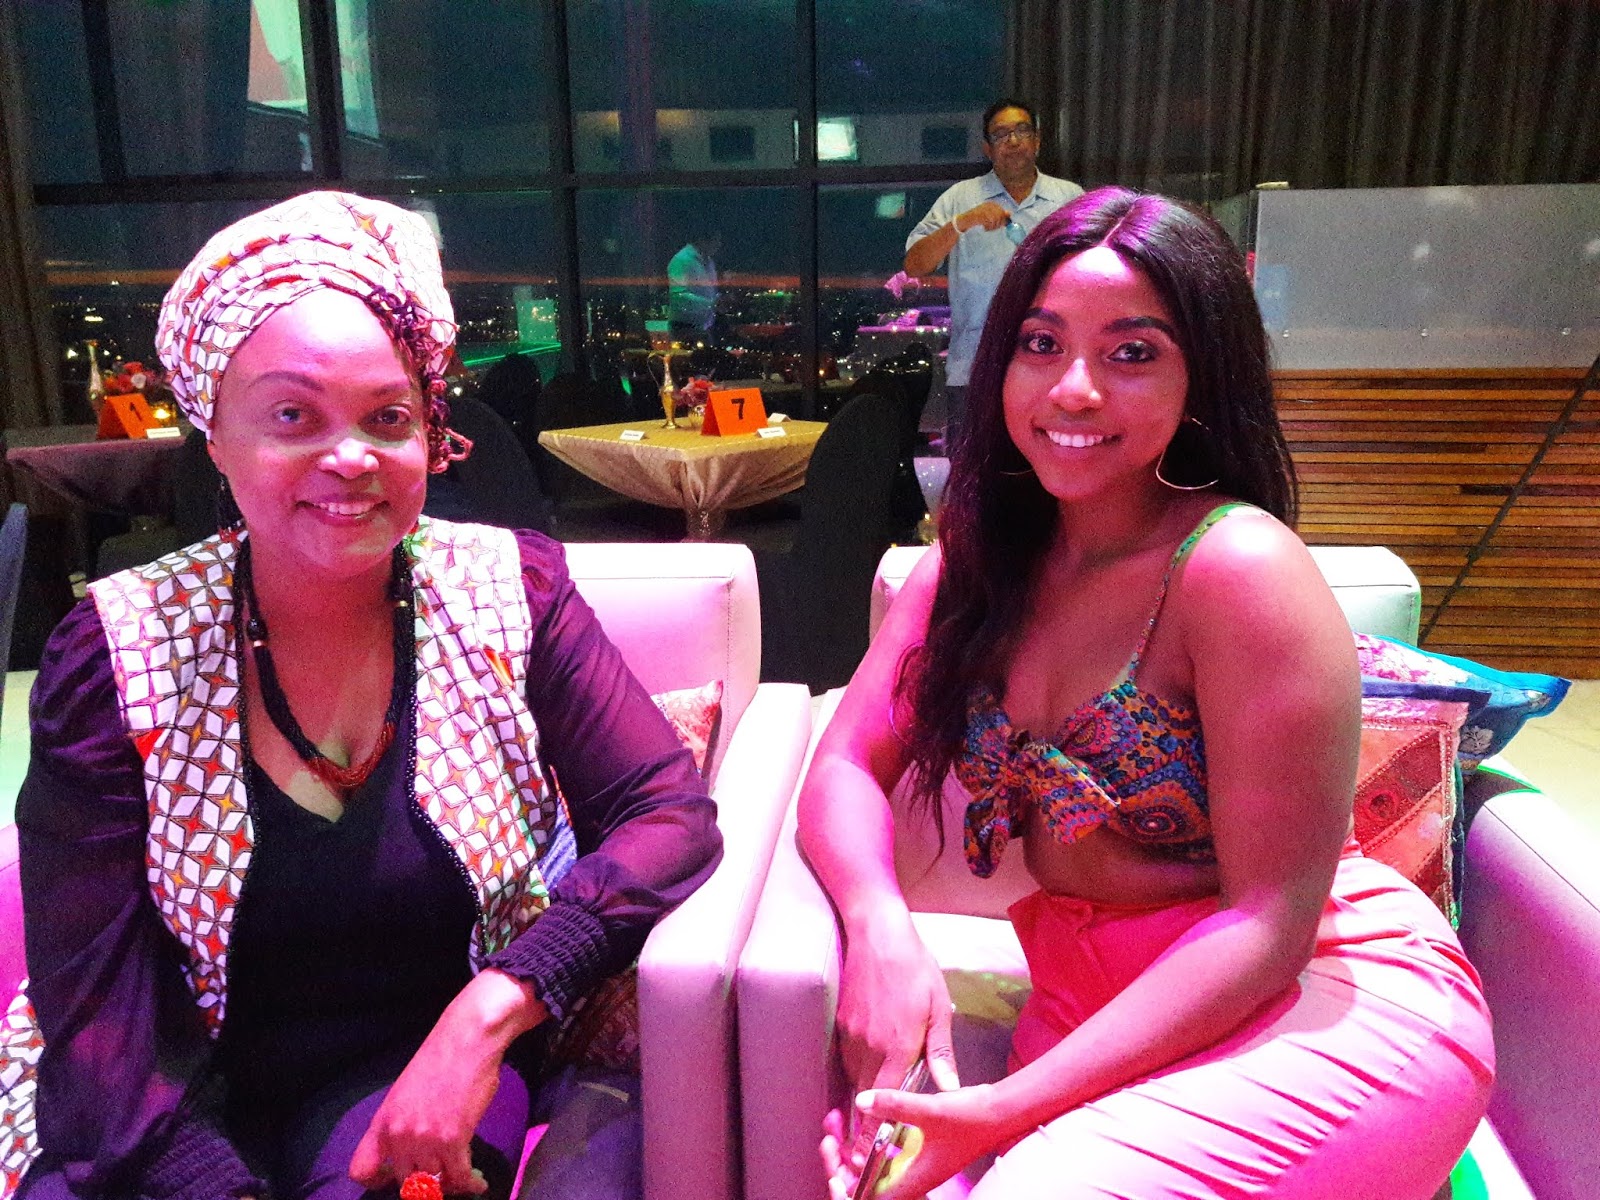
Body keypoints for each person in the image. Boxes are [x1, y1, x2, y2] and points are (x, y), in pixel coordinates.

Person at [4, 192, 722, 1200]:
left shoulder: (507, 593)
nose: (350, 458)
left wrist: (497, 1005)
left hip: (409, 1080)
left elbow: (667, 814)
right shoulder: (118, 652)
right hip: (157, 1094)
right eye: (292, 415)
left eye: (388, 418)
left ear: (430, 434)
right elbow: (92, 1010)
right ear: (215, 435)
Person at [806, 188, 1494, 1199]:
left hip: (1314, 998)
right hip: (1089, 1004)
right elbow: (844, 763)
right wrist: (876, 927)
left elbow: (1268, 925)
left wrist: (1005, 1108)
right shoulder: (973, 565)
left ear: (1199, 377)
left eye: (1131, 353)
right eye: (1041, 343)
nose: (1073, 389)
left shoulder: (1235, 568)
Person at [903, 100, 1082, 450]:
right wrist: (961, 223)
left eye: (1021, 131)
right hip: (975, 367)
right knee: (971, 470)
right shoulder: (961, 198)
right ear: (987, 148)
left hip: (1052, 367)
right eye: (1001, 134)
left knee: (1049, 467)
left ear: (1037, 141)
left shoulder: (1068, 198)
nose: (1012, 141)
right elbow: (915, 264)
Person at [667, 232, 721, 343]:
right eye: (716, 240)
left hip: (704, 326)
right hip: (684, 327)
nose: (719, 245)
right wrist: (711, 303)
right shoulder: (682, 260)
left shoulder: (709, 262)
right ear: (702, 240)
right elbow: (678, 297)